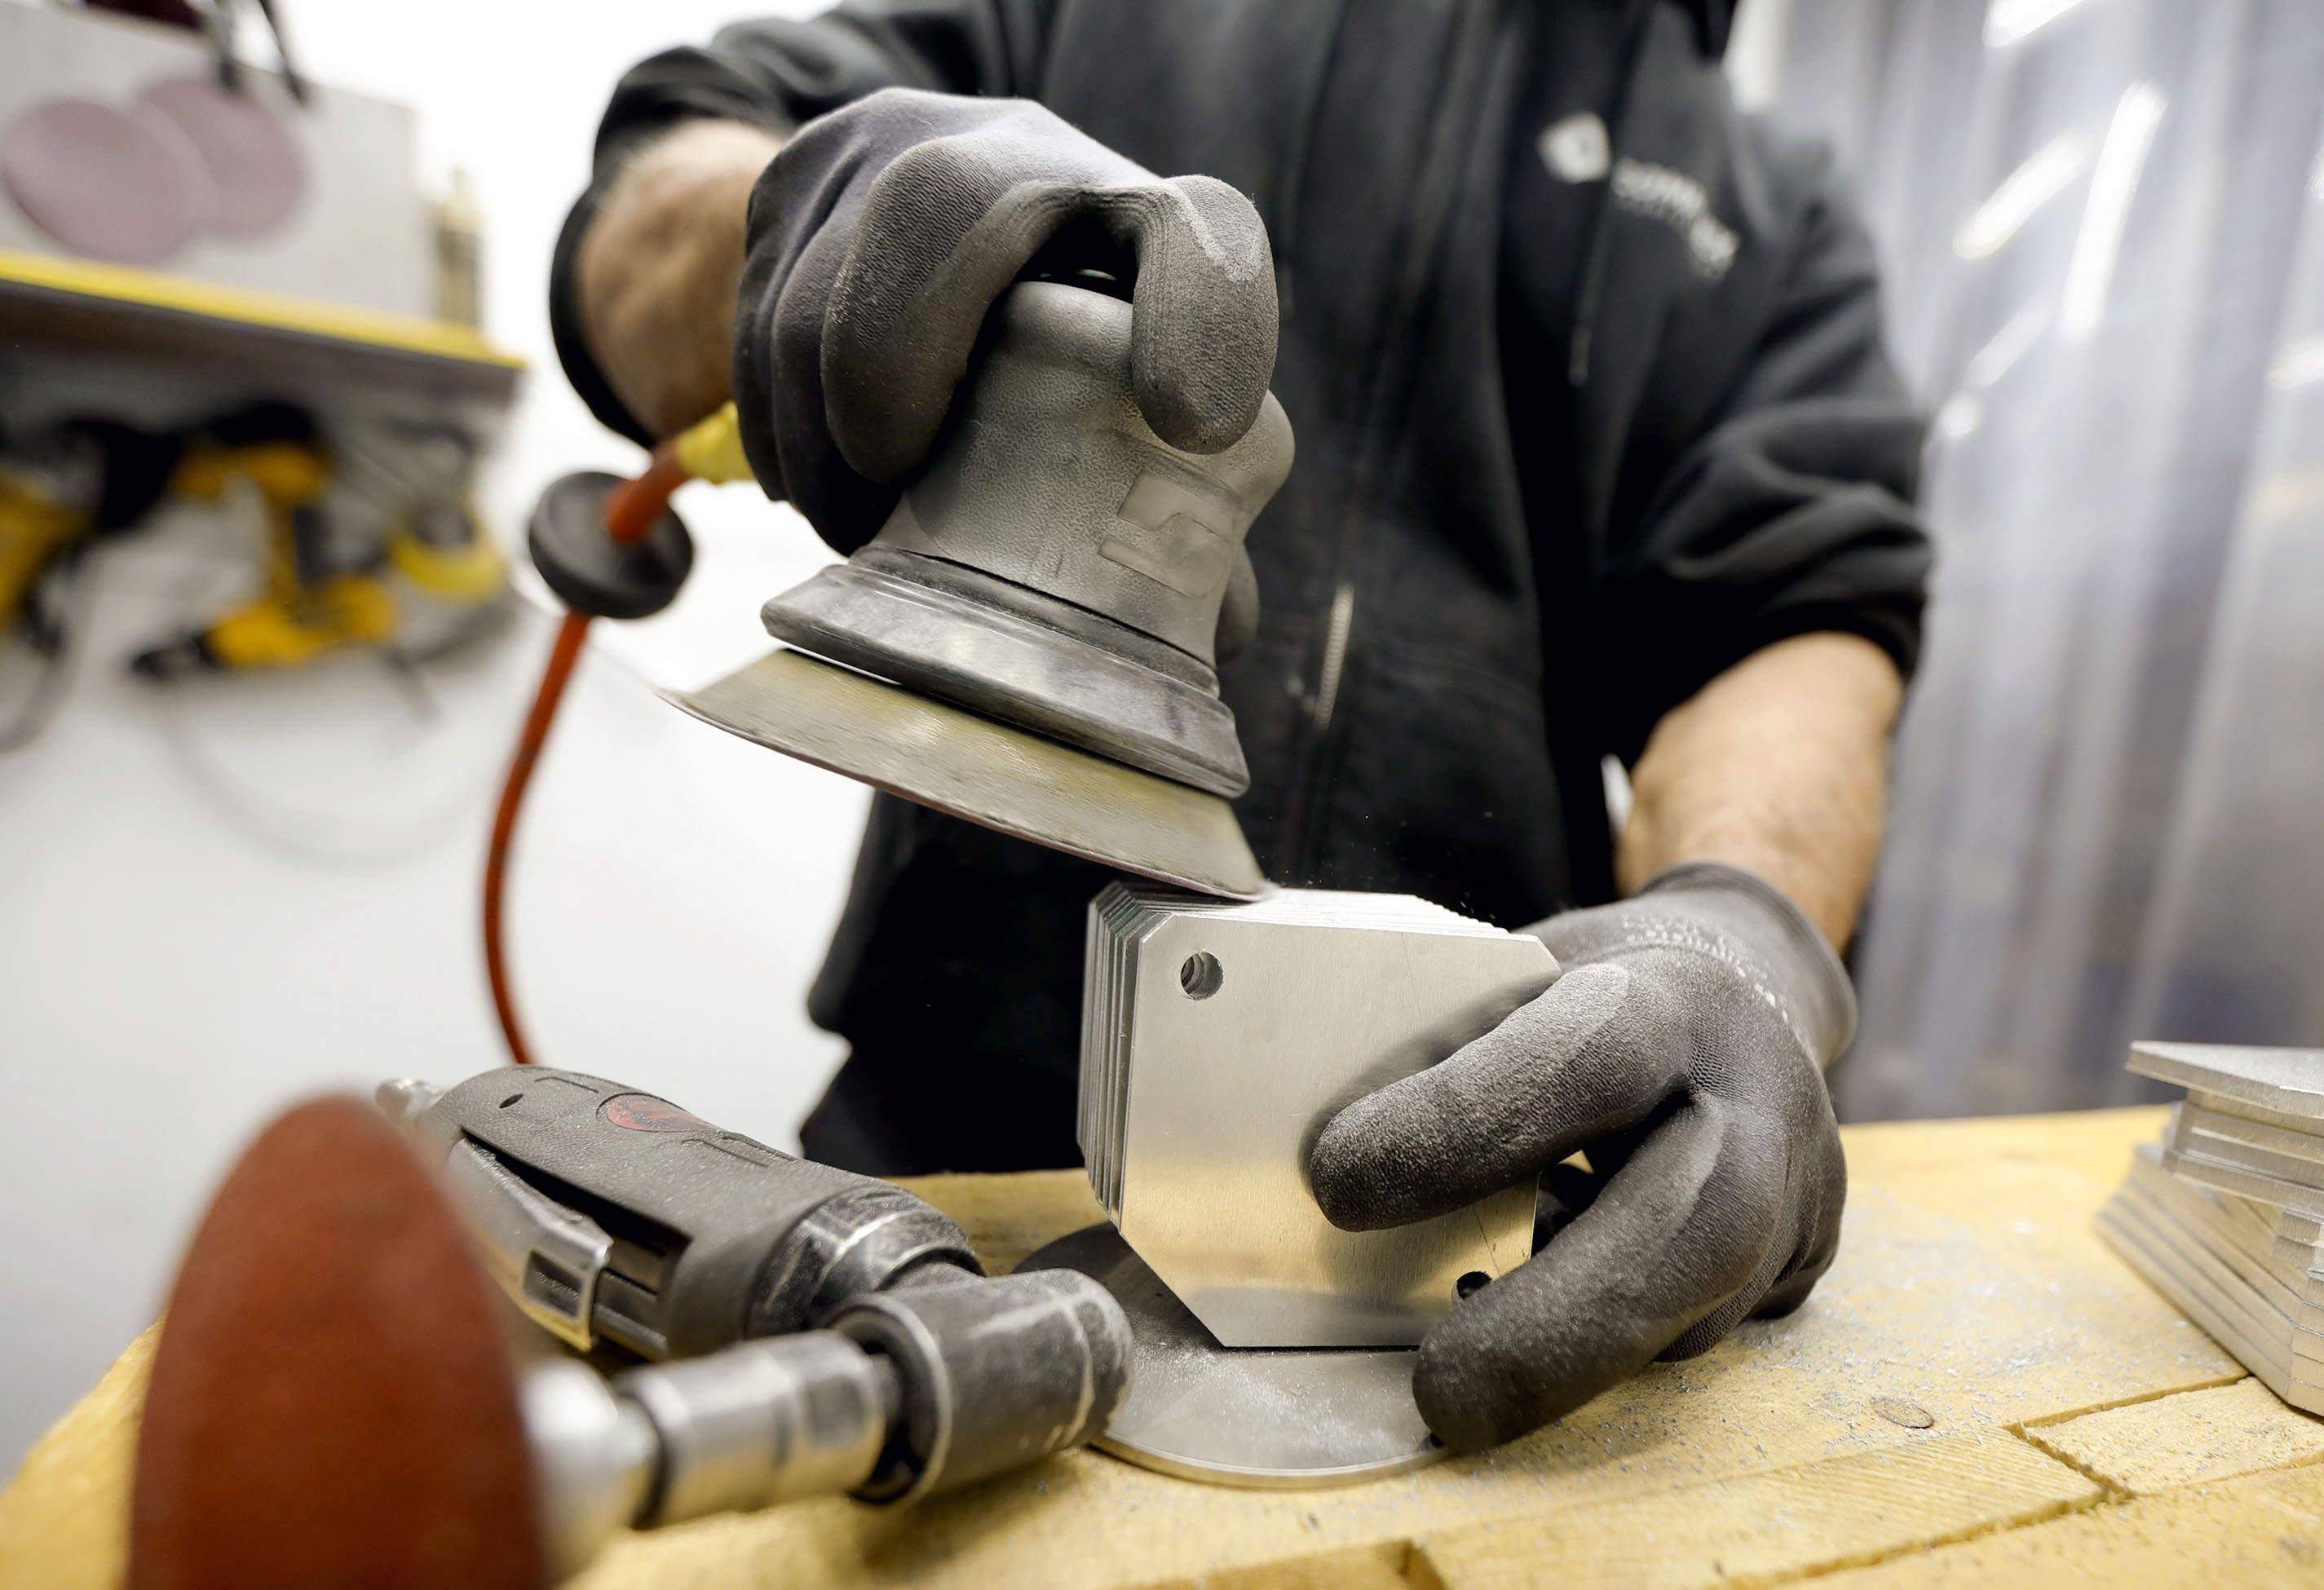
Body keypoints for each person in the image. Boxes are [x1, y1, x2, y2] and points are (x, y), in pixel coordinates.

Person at [554, 0, 1931, 1451]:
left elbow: (1790, 623)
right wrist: (811, 215)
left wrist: (1744, 921)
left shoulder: (1770, 209)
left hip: (1466, 1200)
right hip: (929, 1162)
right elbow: (640, 232)